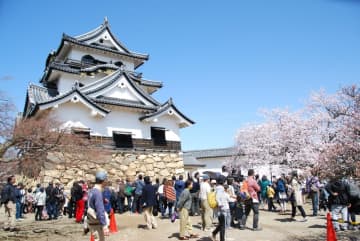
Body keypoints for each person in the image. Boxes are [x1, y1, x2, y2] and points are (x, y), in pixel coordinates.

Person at [87, 169, 109, 241]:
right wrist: (105, 225)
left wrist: (102, 200)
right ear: (103, 181)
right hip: (97, 223)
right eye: (106, 179)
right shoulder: (98, 193)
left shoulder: (92, 190)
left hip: (91, 221)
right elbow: (100, 210)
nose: (107, 181)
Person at [212, 176, 231, 241]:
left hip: (219, 209)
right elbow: (217, 197)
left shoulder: (217, 187)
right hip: (221, 209)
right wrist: (221, 205)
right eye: (225, 180)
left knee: (221, 224)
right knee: (222, 225)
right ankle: (222, 239)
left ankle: (214, 233)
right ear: (223, 181)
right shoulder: (220, 188)